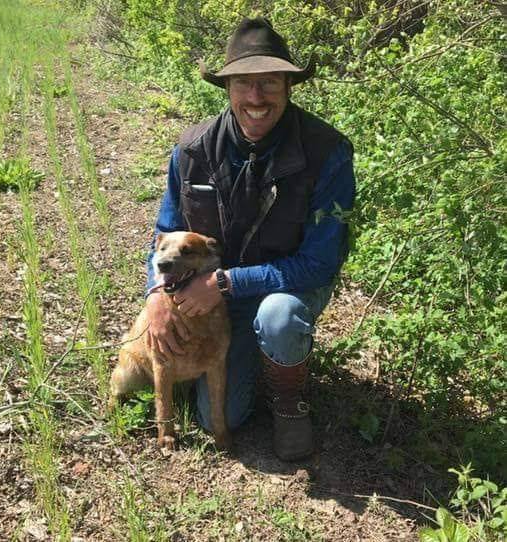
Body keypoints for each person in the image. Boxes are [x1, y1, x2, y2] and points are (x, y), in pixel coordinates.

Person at [144, 17, 355, 461]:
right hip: (214, 293)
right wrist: (157, 295)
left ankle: (288, 401)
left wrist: (225, 284)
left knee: (279, 316)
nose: (255, 97)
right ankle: (239, 356)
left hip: (282, 287)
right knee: (216, 417)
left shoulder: (326, 151)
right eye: (243, 83)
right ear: (226, 88)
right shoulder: (191, 149)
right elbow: (164, 234)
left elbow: (320, 263)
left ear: (290, 85)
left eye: (269, 82)